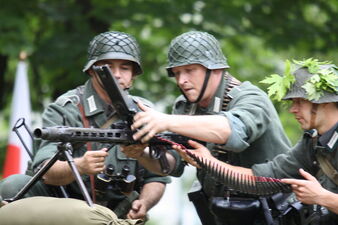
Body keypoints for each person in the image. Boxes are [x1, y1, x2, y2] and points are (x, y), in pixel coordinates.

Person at [122, 31, 291, 224]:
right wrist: (141, 154)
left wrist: (165, 121)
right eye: (176, 73)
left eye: (189, 70)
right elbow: (172, 165)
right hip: (226, 212)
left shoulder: (250, 98)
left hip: (274, 210)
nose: (181, 80)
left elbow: (233, 132)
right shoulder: (186, 106)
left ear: (216, 69)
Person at [0, 31, 170, 222]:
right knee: (14, 186)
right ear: (91, 70)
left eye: (124, 68)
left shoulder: (145, 112)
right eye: (107, 67)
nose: (116, 74)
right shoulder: (66, 109)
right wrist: (80, 167)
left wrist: (145, 203)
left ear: (133, 76)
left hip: (116, 216)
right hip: (64, 210)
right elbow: (45, 170)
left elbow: (158, 176)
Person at [174, 59, 338, 224]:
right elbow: (261, 180)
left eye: (300, 101)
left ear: (325, 102)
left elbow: (322, 198)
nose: (292, 109)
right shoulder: (311, 143)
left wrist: (322, 197)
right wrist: (208, 162)